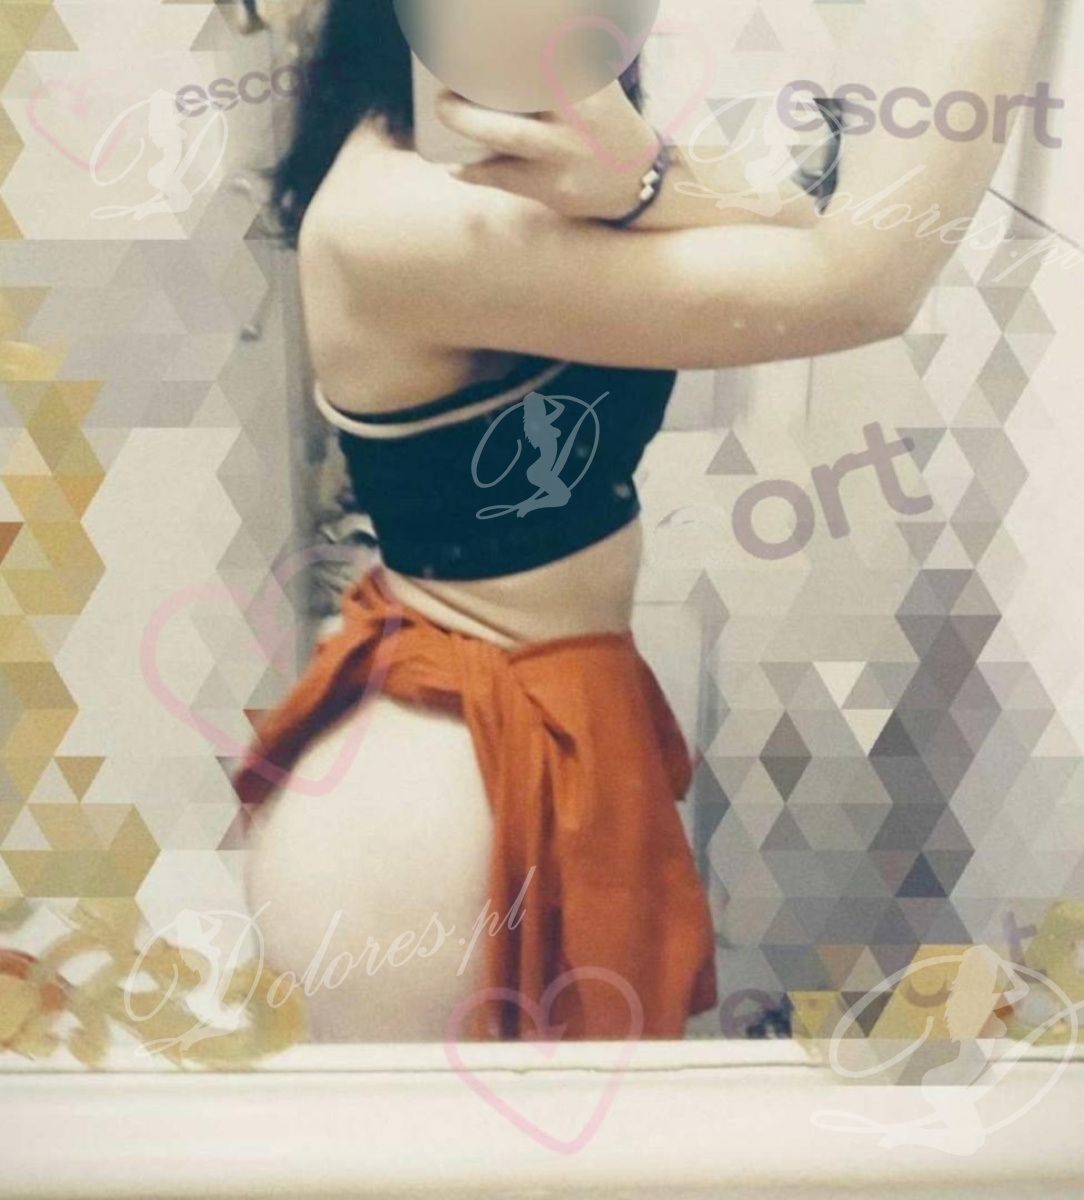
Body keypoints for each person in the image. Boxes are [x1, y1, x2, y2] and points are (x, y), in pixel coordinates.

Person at [233, 0, 1047, 1042]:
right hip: (426, 820)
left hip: (513, 719)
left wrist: (648, 179)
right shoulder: (407, 218)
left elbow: (794, 225)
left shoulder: (498, 149)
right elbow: (861, 284)